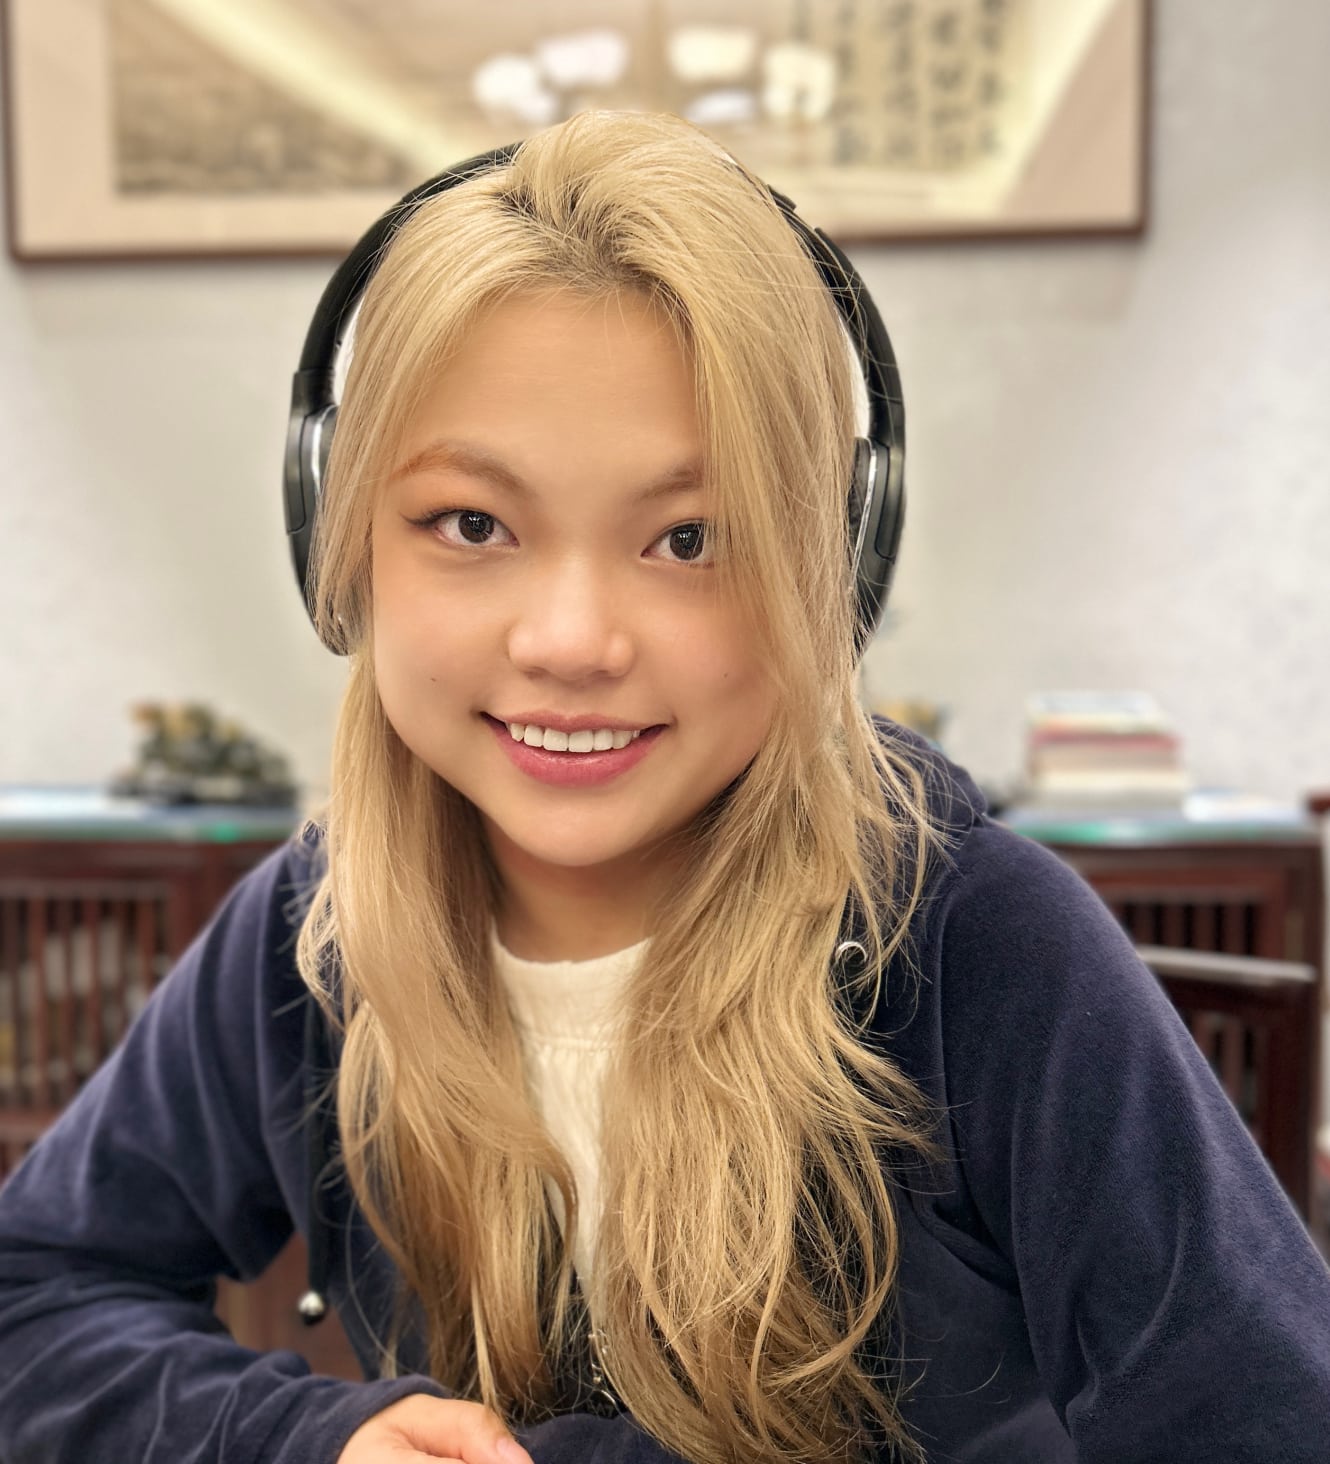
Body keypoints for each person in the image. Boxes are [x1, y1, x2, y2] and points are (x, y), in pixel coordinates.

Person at [1, 109, 1327, 1464]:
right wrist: (312, 1437)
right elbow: (32, 1299)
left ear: (830, 572)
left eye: (690, 537)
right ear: (340, 551)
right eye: (472, 525)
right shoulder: (318, 929)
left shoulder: (976, 944)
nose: (571, 640)